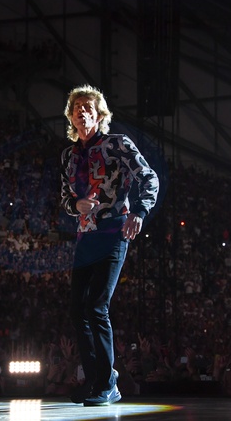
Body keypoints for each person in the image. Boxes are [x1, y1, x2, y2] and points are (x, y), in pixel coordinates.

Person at [60, 84, 159, 406]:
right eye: (77, 107)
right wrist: (76, 205)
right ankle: (95, 380)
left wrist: (140, 212)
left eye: (88, 107)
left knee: (96, 306)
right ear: (71, 117)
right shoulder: (69, 155)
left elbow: (149, 177)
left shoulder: (117, 144)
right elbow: (65, 199)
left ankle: (107, 383)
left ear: (99, 115)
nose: (82, 111)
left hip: (114, 230)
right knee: (78, 310)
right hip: (85, 235)